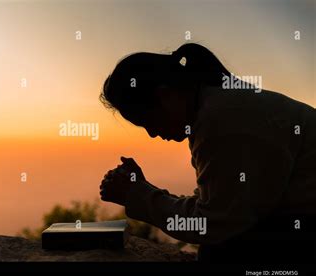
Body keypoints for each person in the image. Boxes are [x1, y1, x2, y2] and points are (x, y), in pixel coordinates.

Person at [99, 43, 316, 263]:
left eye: (148, 121)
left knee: (222, 248)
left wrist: (138, 195)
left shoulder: (222, 120)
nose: (152, 133)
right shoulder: (214, 108)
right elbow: (218, 205)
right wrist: (142, 190)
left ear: (165, 96)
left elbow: (213, 224)